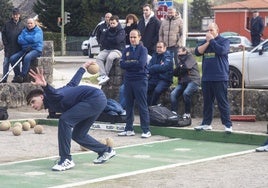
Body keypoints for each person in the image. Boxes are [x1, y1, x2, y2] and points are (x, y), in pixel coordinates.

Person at [26, 62, 116, 171]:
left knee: (65, 120)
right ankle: (105, 150)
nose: (32, 106)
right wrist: (82, 68)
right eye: (30, 104)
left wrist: (45, 86)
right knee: (78, 134)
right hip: (97, 100)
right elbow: (72, 84)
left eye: (33, 102)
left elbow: (54, 94)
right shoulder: (57, 94)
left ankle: (66, 159)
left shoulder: (51, 97)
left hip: (93, 99)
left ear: (41, 97)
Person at [194, 23, 233, 133]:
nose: (209, 32)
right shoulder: (206, 42)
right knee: (207, 102)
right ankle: (206, 123)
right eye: (208, 30)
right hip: (207, 77)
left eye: (212, 30)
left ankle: (228, 125)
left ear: (217, 30)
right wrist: (207, 42)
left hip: (220, 77)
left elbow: (221, 51)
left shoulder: (224, 41)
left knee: (222, 102)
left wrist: (211, 41)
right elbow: (197, 52)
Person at [118, 29, 151, 138]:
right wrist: (133, 62)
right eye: (131, 37)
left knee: (142, 105)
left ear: (139, 37)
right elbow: (122, 64)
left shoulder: (143, 49)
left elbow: (141, 64)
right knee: (128, 105)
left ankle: (146, 130)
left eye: (134, 37)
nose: (132, 39)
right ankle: (129, 129)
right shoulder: (126, 50)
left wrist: (129, 62)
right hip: (128, 79)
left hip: (140, 79)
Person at [170, 47, 200, 126]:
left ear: (185, 51)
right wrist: (179, 67)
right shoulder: (179, 59)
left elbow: (187, 67)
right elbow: (175, 73)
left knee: (186, 93)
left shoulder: (190, 57)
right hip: (183, 82)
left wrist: (180, 67)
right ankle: (174, 113)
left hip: (193, 81)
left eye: (179, 51)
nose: (177, 53)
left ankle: (187, 113)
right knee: (173, 94)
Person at [9, 18, 43, 83]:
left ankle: (22, 76)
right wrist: (28, 42)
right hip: (25, 49)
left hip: (36, 50)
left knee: (27, 57)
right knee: (12, 58)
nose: (29, 25)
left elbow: (35, 39)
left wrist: (26, 37)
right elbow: (19, 40)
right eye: (28, 23)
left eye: (31, 23)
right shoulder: (24, 31)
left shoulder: (38, 31)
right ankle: (17, 75)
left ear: (34, 23)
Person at [96, 15, 126, 85]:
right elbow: (103, 41)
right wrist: (111, 40)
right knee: (98, 58)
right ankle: (103, 75)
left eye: (113, 23)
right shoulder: (107, 31)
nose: (112, 25)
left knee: (110, 57)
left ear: (117, 23)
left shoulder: (121, 31)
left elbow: (117, 40)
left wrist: (109, 40)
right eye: (111, 23)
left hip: (118, 50)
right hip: (107, 49)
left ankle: (105, 76)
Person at [0, 8, 25, 83]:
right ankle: (4, 79)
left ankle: (16, 78)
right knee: (6, 63)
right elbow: (3, 34)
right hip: (8, 48)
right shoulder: (7, 24)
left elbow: (25, 35)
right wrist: (5, 43)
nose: (15, 16)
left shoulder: (23, 25)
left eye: (17, 15)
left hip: (18, 48)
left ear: (19, 15)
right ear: (12, 15)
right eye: (14, 15)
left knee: (16, 65)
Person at [147, 41, 173, 106]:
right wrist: (158, 67)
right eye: (157, 47)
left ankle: (152, 106)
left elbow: (164, 67)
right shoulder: (154, 55)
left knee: (157, 90)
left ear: (165, 48)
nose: (158, 49)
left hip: (164, 79)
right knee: (144, 88)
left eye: (160, 47)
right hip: (154, 78)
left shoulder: (168, 56)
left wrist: (154, 67)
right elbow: (148, 68)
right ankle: (147, 107)